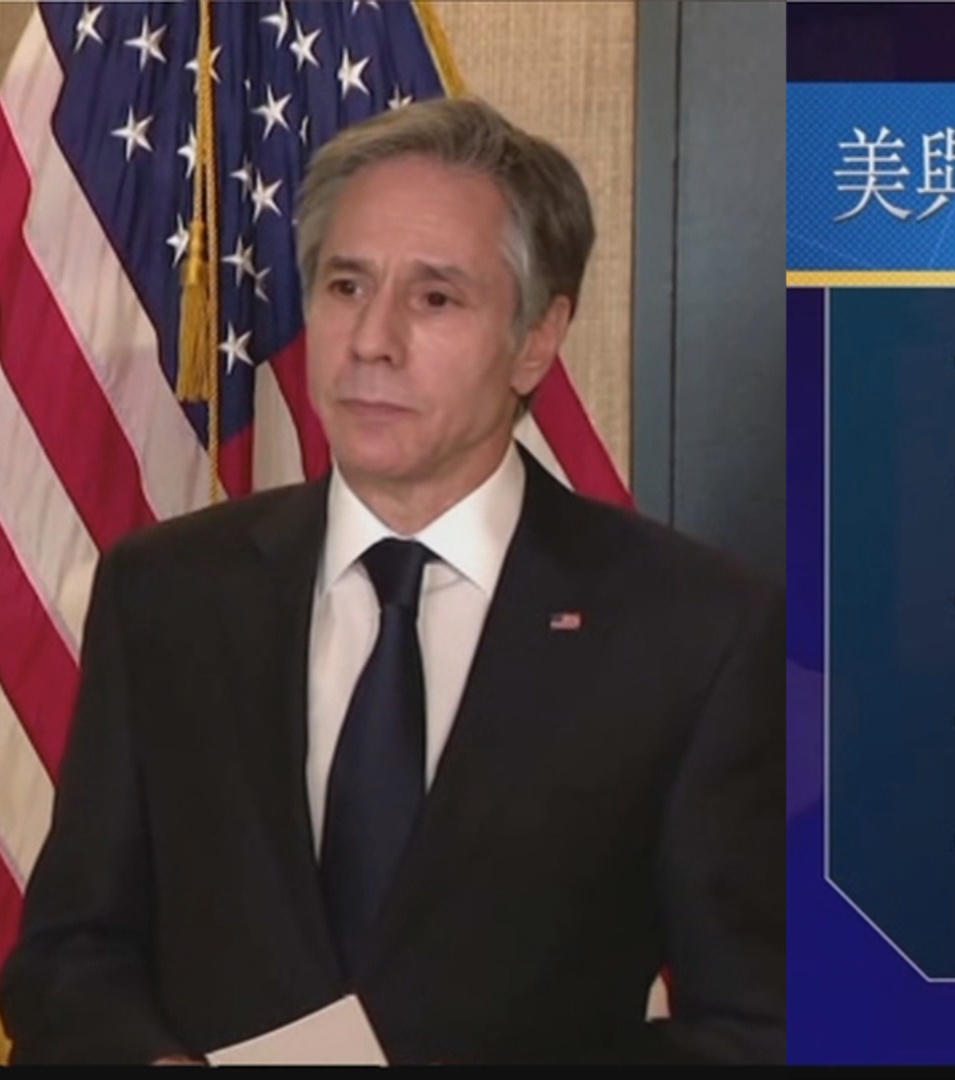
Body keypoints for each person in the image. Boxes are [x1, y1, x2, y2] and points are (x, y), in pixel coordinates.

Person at [0, 96, 784, 1065]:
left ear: (536, 339)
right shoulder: (163, 592)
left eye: (435, 298)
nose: (372, 340)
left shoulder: (694, 629)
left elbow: (758, 1028)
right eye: (346, 285)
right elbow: (69, 958)